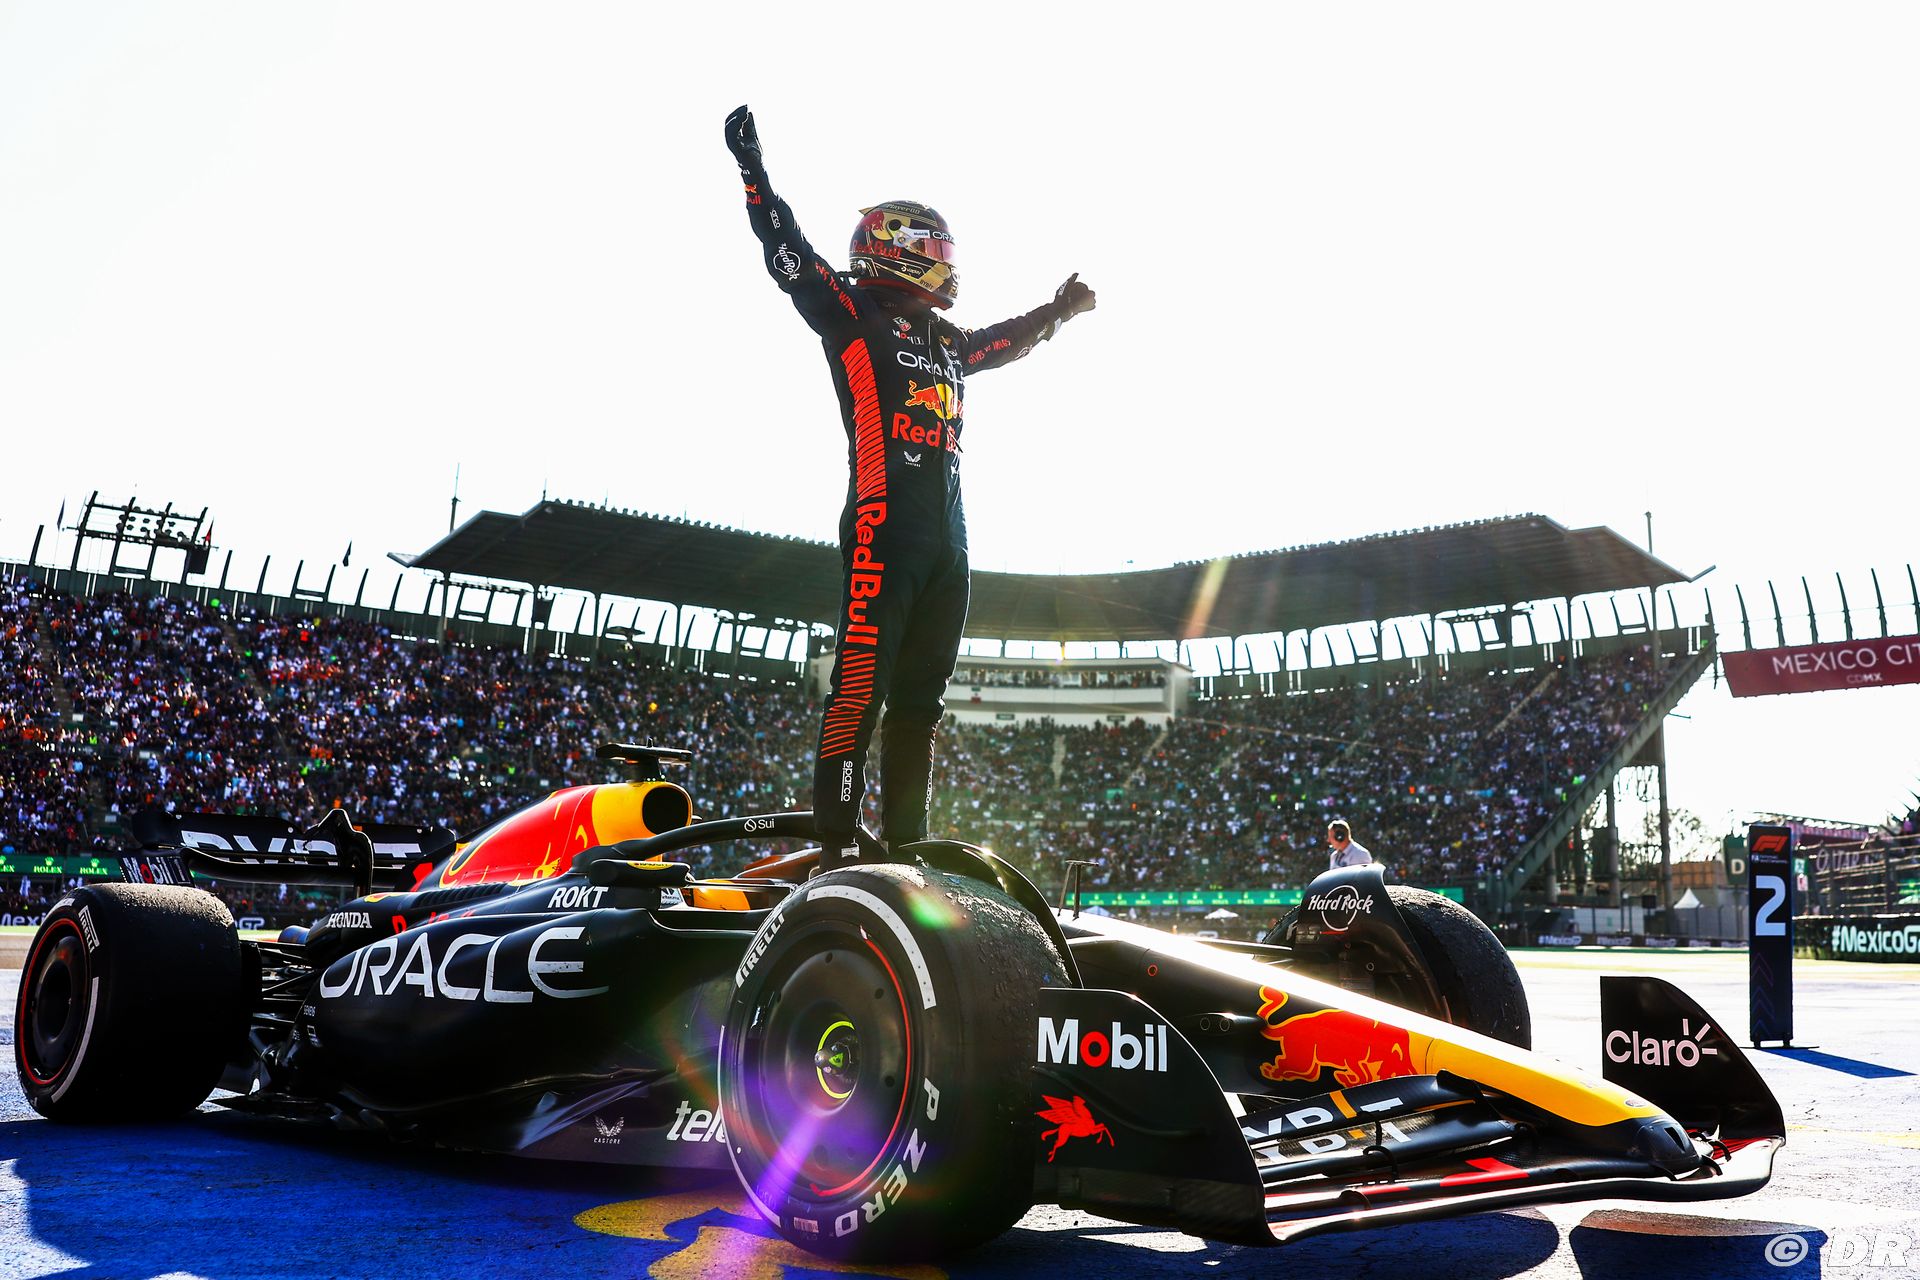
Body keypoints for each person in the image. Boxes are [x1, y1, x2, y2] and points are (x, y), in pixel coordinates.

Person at [725, 105, 1095, 870]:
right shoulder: (852, 313)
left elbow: (1004, 341)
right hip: (881, 529)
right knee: (859, 688)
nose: (943, 261)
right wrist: (754, 173)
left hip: (949, 546)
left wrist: (1058, 313)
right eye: (931, 248)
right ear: (892, 249)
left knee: (922, 703)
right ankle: (836, 844)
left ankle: (907, 844)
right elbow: (788, 255)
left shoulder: (948, 342)